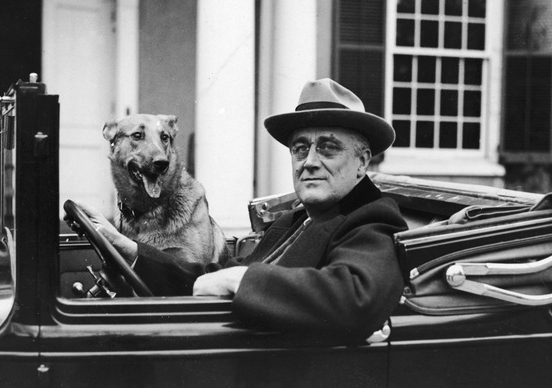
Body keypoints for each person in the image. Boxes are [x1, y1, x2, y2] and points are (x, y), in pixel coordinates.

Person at [81, 78, 408, 342]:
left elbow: (357, 299)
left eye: (327, 147)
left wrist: (242, 281)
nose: (309, 162)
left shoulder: (373, 218)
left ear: (362, 162)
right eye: (300, 148)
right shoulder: (292, 221)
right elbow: (210, 279)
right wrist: (133, 251)